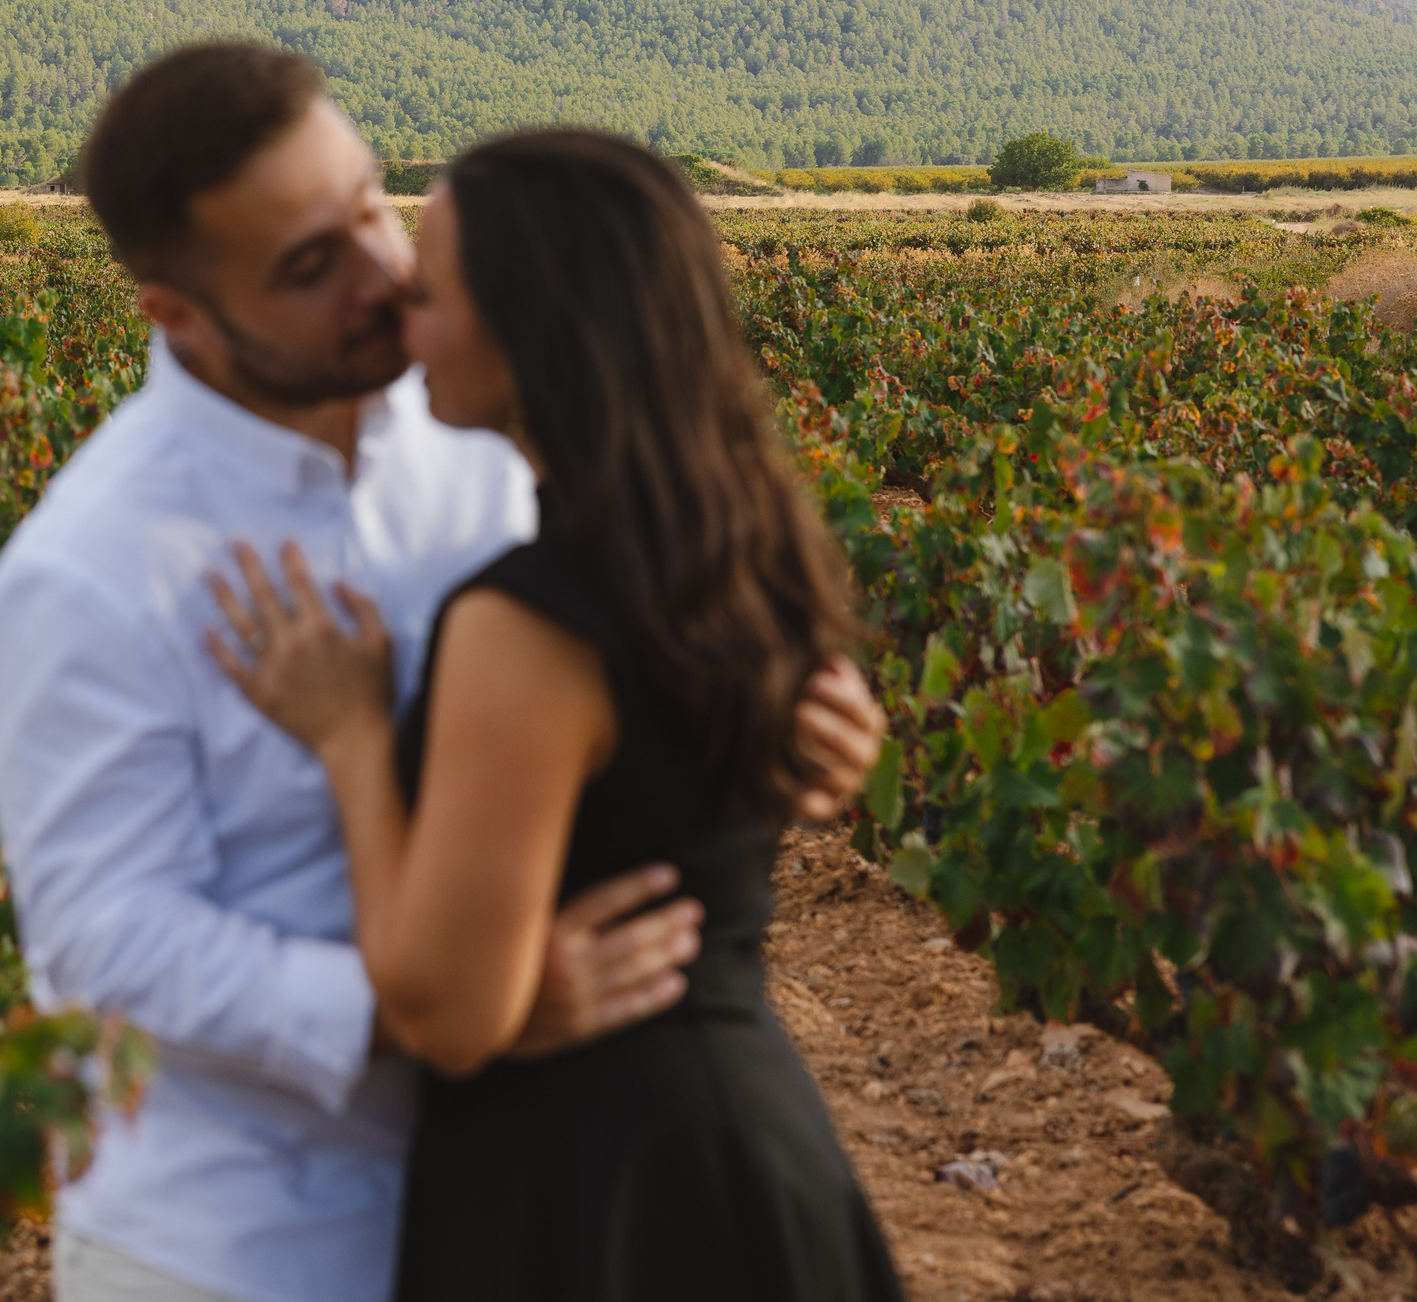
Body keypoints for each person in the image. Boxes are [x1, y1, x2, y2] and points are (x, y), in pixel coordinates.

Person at [0, 43, 886, 1302]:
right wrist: (432, 1011)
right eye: (310, 264)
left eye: (367, 205)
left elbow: (623, 673)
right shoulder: (84, 574)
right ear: (175, 312)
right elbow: (103, 937)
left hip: (533, 1199)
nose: (384, 273)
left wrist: (782, 728)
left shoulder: (487, 438)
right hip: (243, 1242)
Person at [209, 128, 902, 1301]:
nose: (399, 322)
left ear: (534, 326)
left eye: (429, 295)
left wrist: (353, 738)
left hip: (601, 1180)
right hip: (743, 1150)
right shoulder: (736, 545)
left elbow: (447, 1009)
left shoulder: (532, 620)